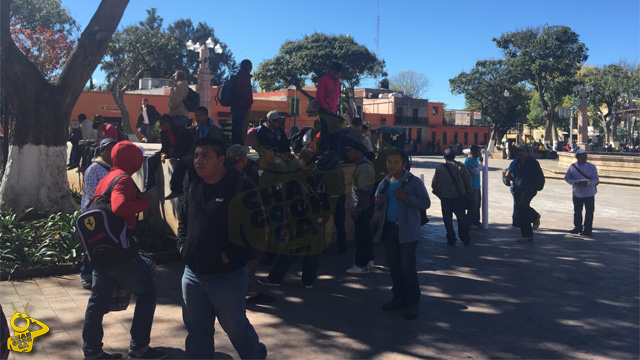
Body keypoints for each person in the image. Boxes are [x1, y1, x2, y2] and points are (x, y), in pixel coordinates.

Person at [177, 137, 267, 359]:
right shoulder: (194, 185)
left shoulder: (241, 186)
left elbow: (256, 231)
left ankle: (255, 355)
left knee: (236, 329)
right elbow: (184, 222)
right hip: (193, 274)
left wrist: (229, 257)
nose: (199, 161)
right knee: (197, 330)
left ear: (221, 160)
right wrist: (182, 246)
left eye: (206, 156)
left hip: (227, 276)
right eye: (197, 155)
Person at [82, 141, 166, 360]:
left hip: (101, 252)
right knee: (148, 293)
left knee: (97, 302)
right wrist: (143, 204)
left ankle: (91, 351)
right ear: (132, 160)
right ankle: (139, 347)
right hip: (120, 252)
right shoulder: (124, 179)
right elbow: (119, 207)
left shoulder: (107, 177)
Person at [373, 148, 430, 320]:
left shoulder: (413, 182)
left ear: (404, 164)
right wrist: (379, 203)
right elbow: (378, 203)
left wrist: (407, 198)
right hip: (390, 229)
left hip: (407, 231)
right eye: (389, 162)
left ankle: (412, 302)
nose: (392, 165)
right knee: (394, 266)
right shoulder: (385, 182)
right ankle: (398, 297)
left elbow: (425, 203)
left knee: (407, 266)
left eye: (396, 162)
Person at [79, 138, 117, 290]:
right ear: (102, 151)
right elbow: (92, 192)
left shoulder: (116, 168)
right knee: (91, 245)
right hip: (93, 213)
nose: (112, 152)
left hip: (109, 213)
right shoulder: (94, 169)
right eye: (109, 149)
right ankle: (86, 273)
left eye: (115, 149)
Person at [345, 135, 376, 274]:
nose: (348, 153)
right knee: (366, 235)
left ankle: (360, 264)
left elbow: (362, 192)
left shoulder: (363, 168)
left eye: (350, 151)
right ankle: (369, 259)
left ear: (359, 153)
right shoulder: (365, 165)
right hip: (366, 207)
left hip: (362, 208)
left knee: (361, 237)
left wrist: (356, 210)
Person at [432, 148, 472, 246]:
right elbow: (468, 181)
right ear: (454, 156)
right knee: (462, 219)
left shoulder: (439, 168)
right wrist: (467, 193)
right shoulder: (461, 167)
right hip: (459, 198)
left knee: (447, 220)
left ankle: (451, 238)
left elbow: (434, 184)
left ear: (444, 157)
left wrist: (439, 194)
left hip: (445, 199)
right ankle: (464, 238)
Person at [144, 115, 193, 192]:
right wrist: (163, 154)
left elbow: (184, 145)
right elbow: (164, 147)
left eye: (161, 123)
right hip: (169, 153)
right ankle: (149, 184)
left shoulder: (179, 130)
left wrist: (174, 149)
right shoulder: (163, 133)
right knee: (151, 159)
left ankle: (178, 190)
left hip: (181, 152)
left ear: (168, 123)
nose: (160, 125)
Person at [511, 146, 545, 242]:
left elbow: (539, 176)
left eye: (522, 151)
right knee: (521, 211)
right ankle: (527, 235)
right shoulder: (517, 162)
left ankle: (535, 216)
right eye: (519, 151)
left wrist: (535, 187)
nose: (520, 153)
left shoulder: (533, 163)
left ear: (527, 152)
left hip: (529, 189)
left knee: (523, 205)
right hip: (518, 188)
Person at [564, 149, 599, 236]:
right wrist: (574, 182)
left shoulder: (592, 167)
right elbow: (567, 177)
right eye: (582, 156)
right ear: (577, 157)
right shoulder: (572, 167)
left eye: (585, 156)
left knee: (589, 212)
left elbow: (596, 179)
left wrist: (588, 183)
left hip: (589, 193)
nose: (584, 158)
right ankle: (577, 227)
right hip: (577, 193)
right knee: (577, 211)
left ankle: (588, 229)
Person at [230, 59, 253, 145]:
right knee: (241, 131)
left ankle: (234, 147)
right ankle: (240, 149)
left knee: (235, 130)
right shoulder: (245, 77)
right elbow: (246, 93)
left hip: (234, 107)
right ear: (249, 68)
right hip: (242, 108)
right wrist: (249, 104)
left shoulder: (236, 77)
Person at [464, 145, 484, 229]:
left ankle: (476, 221)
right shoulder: (468, 161)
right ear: (473, 152)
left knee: (477, 204)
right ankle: (470, 222)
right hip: (471, 186)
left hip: (477, 185)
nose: (480, 153)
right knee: (473, 204)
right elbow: (475, 171)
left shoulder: (476, 160)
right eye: (478, 152)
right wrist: (480, 164)